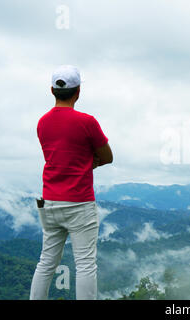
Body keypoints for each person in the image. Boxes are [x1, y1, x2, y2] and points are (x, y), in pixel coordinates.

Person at [30, 65, 113, 300]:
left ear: (51, 90)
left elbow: (59, 154)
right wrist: (90, 161)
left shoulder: (42, 123)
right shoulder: (87, 122)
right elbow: (107, 156)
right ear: (78, 92)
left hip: (50, 202)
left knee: (46, 262)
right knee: (85, 264)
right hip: (79, 202)